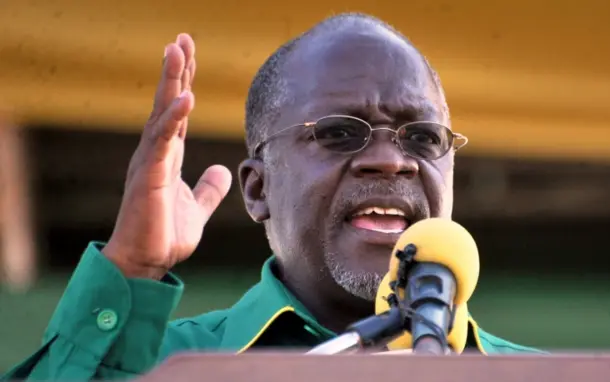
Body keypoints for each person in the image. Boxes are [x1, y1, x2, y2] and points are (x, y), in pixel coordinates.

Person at [2, 12, 544, 381]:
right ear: (258, 189)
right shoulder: (167, 367)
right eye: (338, 132)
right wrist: (131, 268)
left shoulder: (557, 374)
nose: (392, 159)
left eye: (423, 138)